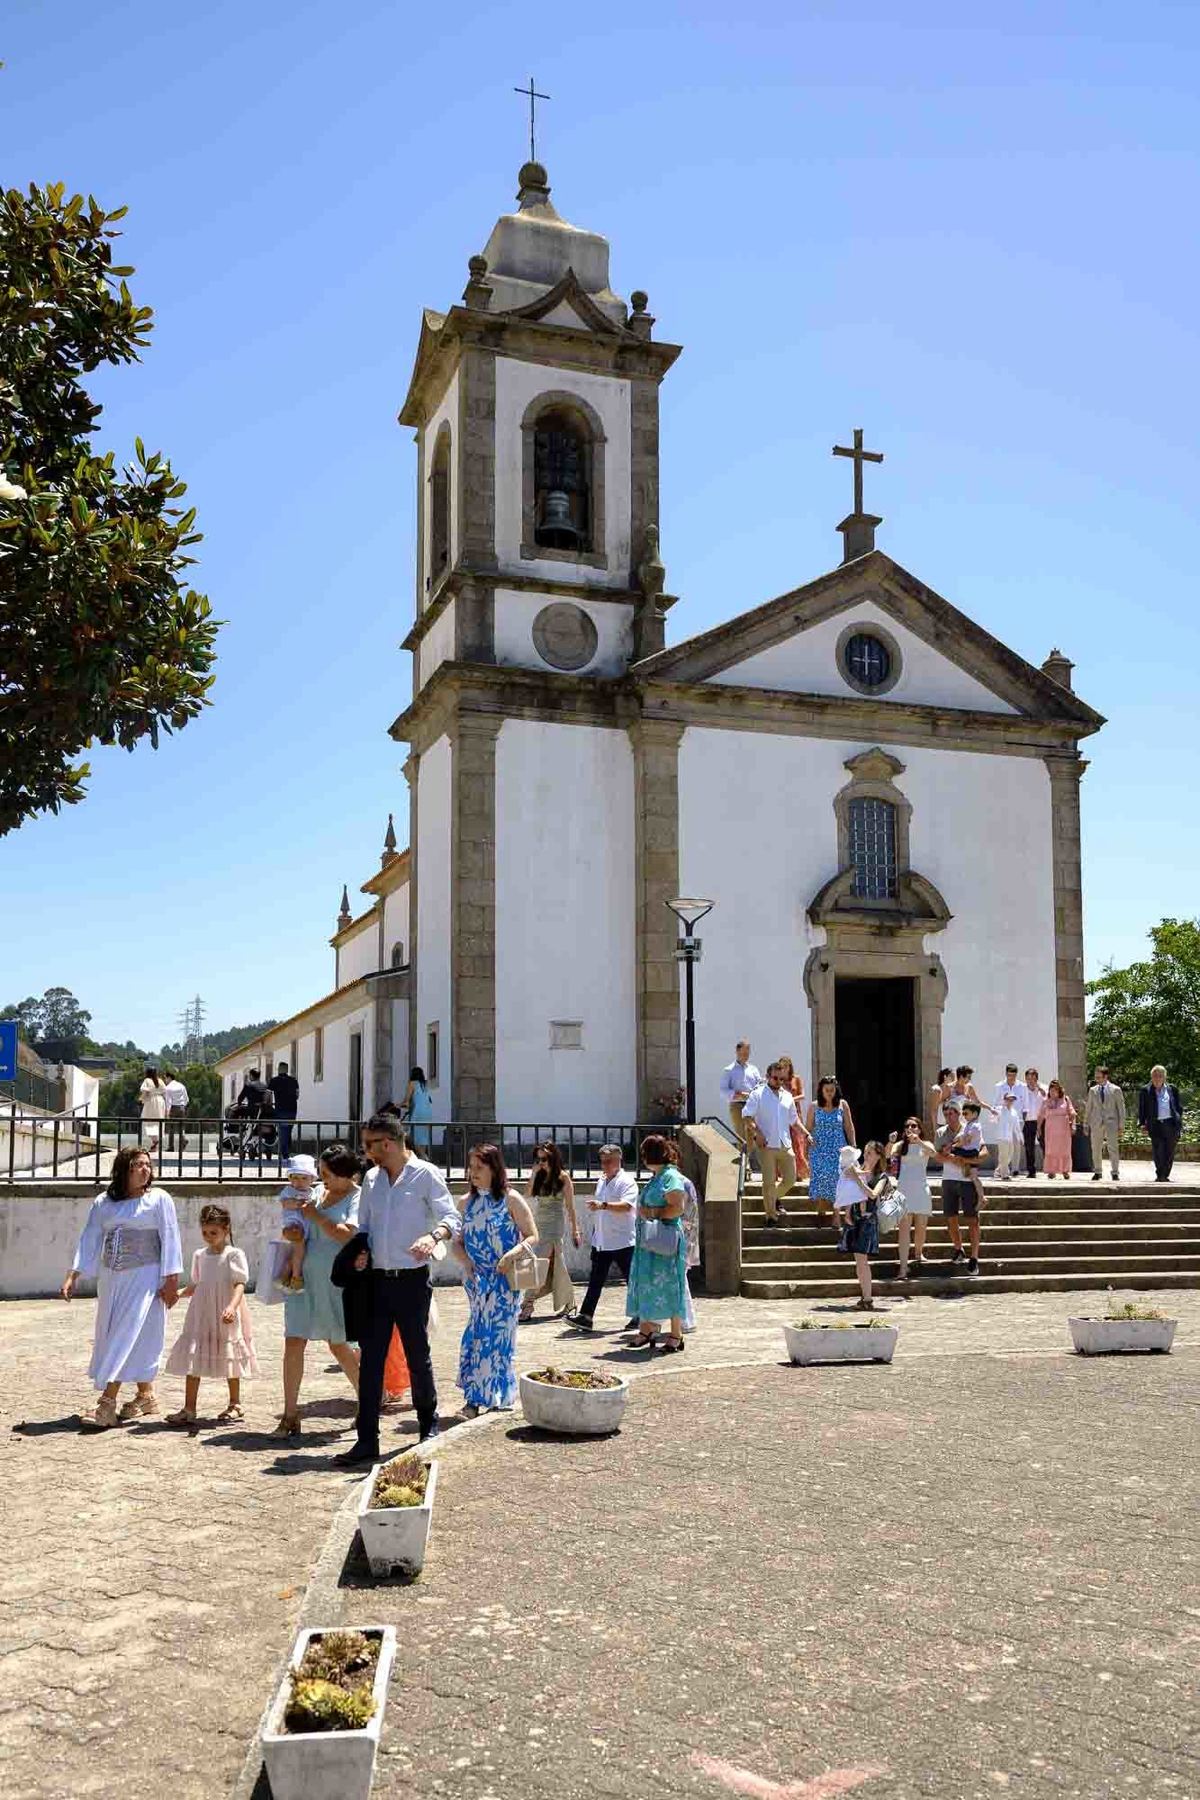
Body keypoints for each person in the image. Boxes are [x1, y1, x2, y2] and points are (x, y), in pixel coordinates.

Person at [334, 1114, 461, 1465]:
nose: (365, 1152)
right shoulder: (372, 1179)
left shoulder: (426, 1174)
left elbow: (452, 1218)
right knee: (371, 1362)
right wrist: (360, 1255)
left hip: (411, 1282)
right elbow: (366, 1227)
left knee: (417, 1355)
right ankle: (367, 1441)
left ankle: (427, 1427)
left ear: (386, 1143)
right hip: (376, 1282)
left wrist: (432, 1235)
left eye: (368, 1145)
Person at [61, 1146, 183, 1430]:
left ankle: (107, 1403)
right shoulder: (104, 1202)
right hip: (112, 1279)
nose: (145, 1169)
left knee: (126, 1333)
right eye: (138, 1164)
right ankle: (145, 1395)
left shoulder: (159, 1200)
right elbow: (89, 1238)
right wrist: (73, 1274)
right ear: (123, 1169)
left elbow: (171, 1238)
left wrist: (172, 1281)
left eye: (148, 1164)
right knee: (121, 1334)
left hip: (146, 1277)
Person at [275, 1144, 363, 1439]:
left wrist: (316, 1218)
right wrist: (292, 1233)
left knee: (338, 1343)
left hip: (334, 1282)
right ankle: (290, 1414)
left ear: (346, 1174)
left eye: (327, 1174)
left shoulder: (357, 1198)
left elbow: (348, 1235)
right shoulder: (316, 1194)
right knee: (293, 1340)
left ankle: (367, 1404)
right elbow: (299, 1223)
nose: (322, 1179)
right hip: (302, 1280)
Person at [454, 1144, 538, 1418]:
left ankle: (494, 1394)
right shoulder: (465, 1203)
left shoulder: (511, 1200)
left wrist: (510, 1256)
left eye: (480, 1167)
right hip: (477, 1280)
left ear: (495, 1169)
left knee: (497, 1338)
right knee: (477, 1335)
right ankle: (475, 1396)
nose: (473, 1173)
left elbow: (531, 1235)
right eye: (472, 1167)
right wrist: (467, 1263)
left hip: (504, 1280)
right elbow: (456, 1242)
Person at [164, 1203, 258, 1425]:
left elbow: (240, 1284)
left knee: (230, 1353)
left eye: (213, 1232)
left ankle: (235, 1403)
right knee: (193, 1355)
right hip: (202, 1312)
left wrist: (232, 1307)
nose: (208, 1237)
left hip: (225, 1311)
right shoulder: (199, 1255)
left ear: (226, 1229)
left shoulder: (233, 1254)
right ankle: (189, 1408)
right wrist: (177, 1294)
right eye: (205, 1232)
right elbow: (197, 1284)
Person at [626, 1134, 688, 1353]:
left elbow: (677, 1207)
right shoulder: (657, 1176)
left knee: (670, 1284)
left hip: (665, 1240)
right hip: (650, 1240)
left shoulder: (671, 1176)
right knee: (647, 1283)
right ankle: (647, 1329)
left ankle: (675, 1334)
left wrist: (651, 1212)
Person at [570, 1143, 639, 1333]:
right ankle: (586, 1316)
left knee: (632, 1280)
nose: (605, 1165)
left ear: (619, 1160)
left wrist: (603, 1205)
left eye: (609, 1161)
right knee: (595, 1281)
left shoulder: (627, 1181)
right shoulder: (602, 1180)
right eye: (602, 1162)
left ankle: (641, 1316)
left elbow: (627, 1206)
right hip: (601, 1241)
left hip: (622, 1241)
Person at [522, 1141, 581, 1321]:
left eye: (545, 1158)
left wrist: (575, 1230)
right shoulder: (539, 1175)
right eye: (538, 1159)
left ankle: (527, 1304)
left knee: (538, 1262)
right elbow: (528, 1194)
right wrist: (533, 1174)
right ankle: (569, 1301)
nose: (541, 1162)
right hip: (539, 1223)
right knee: (556, 1265)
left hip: (554, 1226)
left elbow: (570, 1207)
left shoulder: (563, 1177)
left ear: (553, 1158)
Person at [743, 1062, 800, 1227]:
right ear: (768, 1077)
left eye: (782, 1079)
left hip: (784, 1143)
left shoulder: (788, 1096)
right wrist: (757, 1133)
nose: (779, 1081)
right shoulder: (758, 1094)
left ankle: (772, 1198)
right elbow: (747, 1116)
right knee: (768, 1182)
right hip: (766, 1144)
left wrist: (807, 1133)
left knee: (790, 1180)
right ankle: (771, 1216)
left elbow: (793, 1120)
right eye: (776, 1078)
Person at [834, 1142, 887, 1311]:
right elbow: (847, 1191)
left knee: (862, 1261)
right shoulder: (858, 1168)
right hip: (854, 1219)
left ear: (879, 1155)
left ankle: (868, 1298)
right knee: (859, 1261)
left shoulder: (881, 1177)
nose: (866, 1155)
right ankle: (865, 1297)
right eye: (865, 1152)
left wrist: (857, 1179)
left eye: (870, 1153)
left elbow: (872, 1194)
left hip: (868, 1220)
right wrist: (846, 1213)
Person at [936, 1102, 984, 1274]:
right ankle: (958, 1249)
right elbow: (939, 1157)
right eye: (946, 1114)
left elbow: (984, 1153)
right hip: (948, 1179)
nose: (949, 1117)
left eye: (952, 1113)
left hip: (966, 1180)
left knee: (972, 1219)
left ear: (959, 1113)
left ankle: (974, 1257)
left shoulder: (970, 1127)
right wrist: (953, 1158)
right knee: (951, 1217)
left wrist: (965, 1160)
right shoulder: (941, 1132)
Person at [806, 1075, 856, 1224]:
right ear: (821, 1090)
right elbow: (808, 1128)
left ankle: (836, 1215)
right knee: (821, 1178)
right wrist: (807, 1139)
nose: (829, 1093)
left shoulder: (843, 1105)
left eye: (832, 1090)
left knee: (837, 1180)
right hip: (818, 1148)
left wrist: (853, 1144)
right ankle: (822, 1208)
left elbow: (849, 1126)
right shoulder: (814, 1106)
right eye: (826, 1090)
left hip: (837, 1148)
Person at [892, 1117, 936, 1278]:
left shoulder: (926, 1144)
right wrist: (891, 1142)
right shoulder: (900, 1145)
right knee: (904, 1230)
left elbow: (934, 1154)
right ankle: (903, 1268)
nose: (910, 1128)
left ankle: (918, 1252)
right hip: (904, 1189)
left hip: (921, 1189)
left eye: (914, 1126)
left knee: (921, 1226)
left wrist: (919, 1142)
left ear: (919, 1128)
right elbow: (889, 1157)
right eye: (907, 1126)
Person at [276, 1152, 319, 1293]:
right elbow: (285, 1203)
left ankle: (283, 1277)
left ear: (312, 1179)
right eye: (295, 1178)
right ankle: (296, 1278)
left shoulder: (313, 1192)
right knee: (299, 1249)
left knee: (298, 1254)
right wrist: (297, 1203)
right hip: (294, 1225)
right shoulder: (288, 1191)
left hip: (306, 1227)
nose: (299, 1182)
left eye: (303, 1178)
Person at [1138, 1066, 1184, 1183]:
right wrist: (1142, 1124)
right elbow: (1142, 1109)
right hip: (1155, 1124)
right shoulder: (1146, 1090)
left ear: (1164, 1077)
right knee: (1158, 1150)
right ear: (1151, 1077)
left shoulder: (1172, 1089)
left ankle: (1165, 1174)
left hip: (1170, 1124)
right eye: (1155, 1076)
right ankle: (1160, 1174)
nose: (1157, 1078)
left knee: (1169, 1151)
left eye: (1160, 1076)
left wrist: (1179, 1122)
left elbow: (1178, 1107)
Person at [719, 1041, 762, 1155]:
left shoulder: (753, 1069)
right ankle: (744, 1165)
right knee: (741, 1134)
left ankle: (746, 1160)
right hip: (737, 1104)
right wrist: (738, 1094)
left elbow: (760, 1085)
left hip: (751, 1105)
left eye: (748, 1053)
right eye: (743, 1053)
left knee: (750, 1134)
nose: (746, 1055)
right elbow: (723, 1090)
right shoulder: (729, 1070)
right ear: (737, 1052)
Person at [1084, 1066, 1125, 1182]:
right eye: (1095, 1077)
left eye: (1099, 1077)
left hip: (1111, 1122)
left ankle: (1115, 1172)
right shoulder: (1093, 1090)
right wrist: (1086, 1123)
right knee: (1096, 1148)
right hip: (1096, 1122)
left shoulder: (1116, 1090)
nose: (1096, 1079)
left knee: (1113, 1148)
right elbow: (1089, 1107)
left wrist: (1121, 1125)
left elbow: (1121, 1108)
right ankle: (1097, 1171)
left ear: (1105, 1076)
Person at [775, 1054, 812, 1180]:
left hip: (795, 1114)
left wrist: (789, 1099)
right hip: (782, 1115)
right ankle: (786, 1173)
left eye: (786, 1067)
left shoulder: (796, 1079)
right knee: (785, 1144)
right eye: (782, 1067)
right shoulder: (778, 1081)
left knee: (797, 1144)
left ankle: (799, 1173)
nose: (784, 1070)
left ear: (790, 1068)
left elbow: (802, 1095)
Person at [1037, 1080, 1077, 1179]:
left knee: (1064, 1149)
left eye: (1055, 1090)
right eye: (1051, 1090)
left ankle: (1065, 1170)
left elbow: (1072, 1113)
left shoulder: (1066, 1099)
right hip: (1050, 1130)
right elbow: (1041, 1115)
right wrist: (1038, 1128)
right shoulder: (1046, 1101)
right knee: (1051, 1149)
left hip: (1064, 1130)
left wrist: (1073, 1125)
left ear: (1059, 1091)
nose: (1052, 1092)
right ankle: (1051, 1170)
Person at [992, 1065, 1027, 1173]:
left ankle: (1015, 1168)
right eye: (1009, 1075)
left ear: (1016, 1074)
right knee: (1005, 1146)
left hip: (1017, 1119)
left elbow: (1025, 1104)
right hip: (1003, 1119)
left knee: (1016, 1145)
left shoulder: (1022, 1086)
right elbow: (995, 1103)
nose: (1011, 1077)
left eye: (1013, 1075)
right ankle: (1002, 1169)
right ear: (1006, 1074)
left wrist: (1024, 1120)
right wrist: (996, 1119)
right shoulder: (999, 1086)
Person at [268, 1062, 300, 1159]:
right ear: (287, 1069)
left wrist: (269, 1105)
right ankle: (286, 1151)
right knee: (288, 1131)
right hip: (292, 1109)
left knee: (282, 1131)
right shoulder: (294, 1080)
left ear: (278, 1069)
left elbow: (268, 1094)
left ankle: (284, 1154)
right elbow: (297, 1095)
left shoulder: (274, 1081)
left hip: (280, 1109)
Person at [994, 1089, 1025, 1180]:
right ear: (1004, 1100)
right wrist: (994, 1114)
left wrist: (1020, 1137)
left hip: (1010, 1137)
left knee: (1010, 1155)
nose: (1010, 1101)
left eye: (1012, 1100)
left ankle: (999, 1171)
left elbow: (1016, 1127)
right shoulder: (1000, 1109)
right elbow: (993, 1118)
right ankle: (1005, 1175)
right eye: (1008, 1099)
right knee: (1003, 1156)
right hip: (1001, 1137)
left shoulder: (1014, 1112)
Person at [400, 1066, 434, 1150]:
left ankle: (420, 1155)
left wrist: (397, 1105)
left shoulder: (412, 1083)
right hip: (428, 1112)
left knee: (416, 1136)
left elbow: (406, 1102)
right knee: (424, 1136)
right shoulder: (426, 1084)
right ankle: (424, 1156)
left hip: (417, 1112)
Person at [1021, 1068, 1046, 1179]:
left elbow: (1048, 1101)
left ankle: (1049, 1169)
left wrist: (1043, 1092)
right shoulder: (1022, 1090)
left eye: (1033, 1078)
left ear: (1037, 1078)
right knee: (1029, 1147)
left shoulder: (1043, 1088)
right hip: (1028, 1122)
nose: (1030, 1081)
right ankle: (1031, 1171)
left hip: (1041, 1121)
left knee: (1044, 1145)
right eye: (1028, 1078)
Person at [138, 1067, 168, 1152]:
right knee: (158, 1122)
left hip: (151, 1101)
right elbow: (165, 1092)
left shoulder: (147, 1080)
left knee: (147, 1121)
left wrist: (140, 1099)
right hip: (160, 1101)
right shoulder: (160, 1081)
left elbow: (145, 1092)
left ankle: (154, 1141)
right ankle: (154, 1143)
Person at [163, 1069, 189, 1152]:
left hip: (173, 1108)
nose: (165, 1080)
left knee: (171, 1128)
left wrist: (167, 1112)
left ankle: (171, 1147)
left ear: (169, 1077)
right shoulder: (181, 1085)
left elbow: (168, 1101)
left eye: (165, 1078)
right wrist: (183, 1106)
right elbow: (186, 1099)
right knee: (181, 1127)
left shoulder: (168, 1088)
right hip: (182, 1107)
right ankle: (183, 1140)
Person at [928, 1068, 955, 1137]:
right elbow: (933, 1110)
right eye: (951, 1076)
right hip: (940, 1123)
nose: (953, 1079)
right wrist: (935, 1128)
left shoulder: (950, 1089)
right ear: (945, 1076)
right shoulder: (937, 1089)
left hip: (950, 1123)